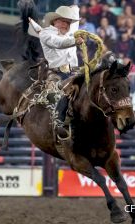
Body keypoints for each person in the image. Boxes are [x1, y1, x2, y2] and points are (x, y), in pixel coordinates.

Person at [38, 5, 83, 138]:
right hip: (56, 73)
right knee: (55, 94)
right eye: (63, 21)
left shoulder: (70, 32)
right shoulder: (45, 33)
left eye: (68, 22)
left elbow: (76, 21)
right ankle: (58, 123)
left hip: (74, 73)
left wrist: (75, 8)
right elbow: (57, 43)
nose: (66, 25)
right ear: (55, 21)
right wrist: (75, 41)